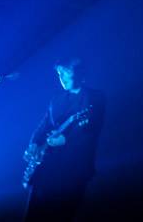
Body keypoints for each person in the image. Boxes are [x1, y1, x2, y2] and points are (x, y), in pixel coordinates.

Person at [24, 58, 105, 222]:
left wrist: (67, 140)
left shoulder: (95, 97)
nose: (62, 78)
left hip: (73, 170)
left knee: (61, 215)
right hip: (47, 167)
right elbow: (44, 124)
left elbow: (93, 130)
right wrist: (34, 143)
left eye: (66, 72)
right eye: (59, 73)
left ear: (80, 73)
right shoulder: (57, 99)